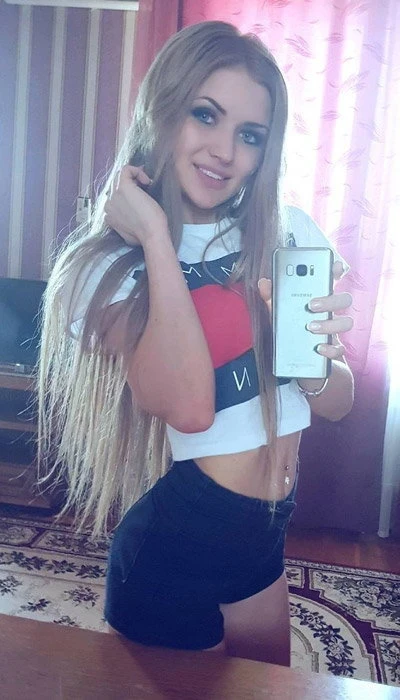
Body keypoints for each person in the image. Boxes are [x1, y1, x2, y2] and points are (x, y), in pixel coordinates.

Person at [37, 21, 354, 665]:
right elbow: (190, 408)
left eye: (250, 134)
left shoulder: (286, 232)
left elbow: (337, 402)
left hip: (263, 537)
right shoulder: (106, 268)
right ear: (163, 111)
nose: (224, 151)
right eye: (204, 115)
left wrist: (313, 362)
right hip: (176, 551)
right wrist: (157, 238)